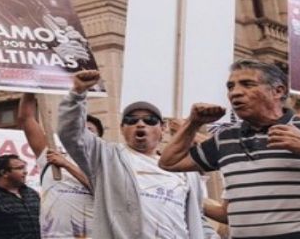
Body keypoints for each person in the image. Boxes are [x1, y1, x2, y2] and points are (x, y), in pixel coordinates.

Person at [159, 59, 300, 239]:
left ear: (277, 91)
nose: (235, 92)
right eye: (231, 86)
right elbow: (169, 162)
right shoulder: (225, 138)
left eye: (247, 84)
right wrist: (193, 123)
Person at [57, 70, 205, 239]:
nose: (140, 124)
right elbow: (71, 134)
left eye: (149, 120)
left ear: (162, 128)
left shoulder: (183, 169)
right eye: (131, 120)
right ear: (122, 128)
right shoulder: (106, 157)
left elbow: (196, 219)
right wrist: (77, 94)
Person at [17, 93, 94, 238]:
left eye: (90, 130)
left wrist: (66, 165)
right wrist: (29, 88)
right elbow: (26, 119)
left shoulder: (103, 164)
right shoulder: (51, 155)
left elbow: (102, 190)